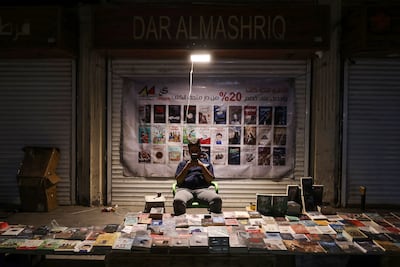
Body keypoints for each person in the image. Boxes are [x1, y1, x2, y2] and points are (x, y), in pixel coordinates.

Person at [173, 139, 222, 216]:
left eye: (196, 150)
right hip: (186, 190)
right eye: (192, 151)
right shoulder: (183, 164)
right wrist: (187, 167)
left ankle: (215, 223)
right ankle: (181, 224)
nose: (194, 153)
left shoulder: (206, 164)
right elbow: (178, 181)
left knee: (217, 199)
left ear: (200, 150)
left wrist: (202, 166)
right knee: (178, 201)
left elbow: (210, 180)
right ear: (189, 151)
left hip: (202, 190)